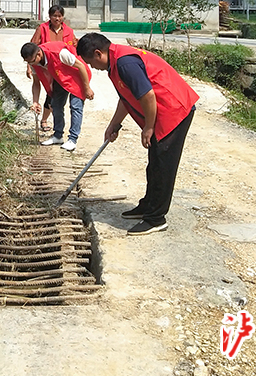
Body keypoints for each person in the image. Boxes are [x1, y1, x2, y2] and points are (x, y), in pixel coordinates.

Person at [76, 33, 198, 236]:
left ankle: (156, 218)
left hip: (174, 110)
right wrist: (113, 125)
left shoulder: (125, 64)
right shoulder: (115, 63)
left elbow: (148, 96)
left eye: (91, 62)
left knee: (163, 165)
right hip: (162, 112)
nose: (93, 68)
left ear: (98, 53)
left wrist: (148, 127)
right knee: (154, 163)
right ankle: (148, 206)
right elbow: (126, 97)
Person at [21, 41, 94, 151]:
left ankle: (72, 139)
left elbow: (81, 66)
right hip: (60, 78)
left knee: (75, 106)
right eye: (28, 63)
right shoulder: (34, 63)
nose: (32, 64)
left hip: (77, 76)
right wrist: (35, 101)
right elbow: (36, 83)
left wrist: (87, 88)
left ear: (39, 54)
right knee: (55, 105)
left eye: (32, 61)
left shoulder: (59, 53)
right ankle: (58, 135)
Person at [28, 5, 77, 133]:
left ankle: (45, 120)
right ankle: (37, 106)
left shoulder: (68, 31)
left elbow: (74, 48)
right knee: (42, 87)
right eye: (54, 16)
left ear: (63, 17)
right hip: (42, 64)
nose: (57, 18)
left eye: (59, 16)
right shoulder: (42, 28)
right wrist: (29, 65)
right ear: (49, 16)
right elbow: (32, 47)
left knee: (53, 95)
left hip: (60, 68)